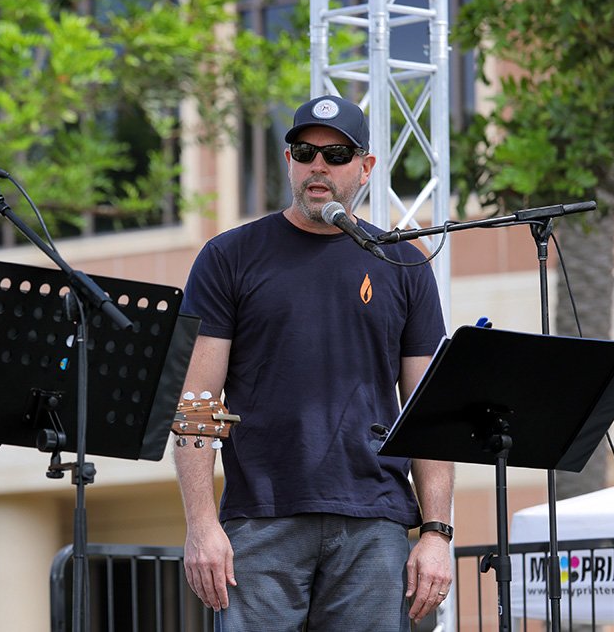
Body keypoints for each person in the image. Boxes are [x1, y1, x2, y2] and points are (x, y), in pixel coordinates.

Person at [175, 95, 454, 630]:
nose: (318, 165)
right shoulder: (228, 256)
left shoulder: (403, 262)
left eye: (337, 154)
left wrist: (437, 534)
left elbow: (429, 418)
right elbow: (196, 403)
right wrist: (201, 524)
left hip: (375, 523)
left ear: (366, 167)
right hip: (260, 520)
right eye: (304, 151)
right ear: (289, 161)